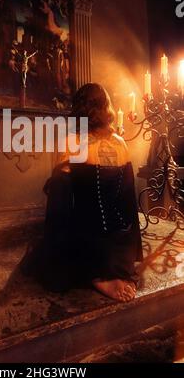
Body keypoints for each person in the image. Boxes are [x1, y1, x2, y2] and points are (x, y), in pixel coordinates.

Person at [20, 83, 143, 302]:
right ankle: (107, 272)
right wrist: (133, 250)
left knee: (63, 200)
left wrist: (54, 249)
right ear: (102, 108)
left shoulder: (71, 143)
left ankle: (93, 274)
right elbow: (128, 205)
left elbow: (60, 205)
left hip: (92, 242)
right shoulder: (121, 144)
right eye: (109, 101)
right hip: (119, 245)